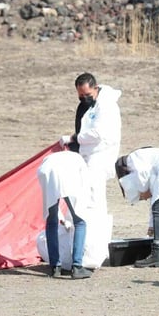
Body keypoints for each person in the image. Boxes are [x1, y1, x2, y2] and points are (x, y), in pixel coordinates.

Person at [60, 73, 122, 216]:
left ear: (96, 88)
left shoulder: (106, 105)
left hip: (101, 154)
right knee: (86, 193)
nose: (84, 98)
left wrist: (74, 138)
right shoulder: (87, 105)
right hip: (88, 154)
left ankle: (96, 230)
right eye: (80, 95)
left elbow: (98, 133)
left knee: (94, 196)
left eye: (87, 94)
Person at [37, 151, 95, 280]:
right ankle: (77, 266)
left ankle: (55, 267)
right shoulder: (78, 159)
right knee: (80, 221)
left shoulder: (55, 157)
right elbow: (84, 188)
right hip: (68, 174)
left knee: (51, 221)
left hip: (47, 171)